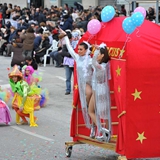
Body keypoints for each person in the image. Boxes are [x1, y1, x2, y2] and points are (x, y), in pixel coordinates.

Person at [60, 28, 93, 128]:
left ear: (86, 50)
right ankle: (88, 107)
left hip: (92, 81)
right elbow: (69, 48)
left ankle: (91, 112)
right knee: (89, 93)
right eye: (78, 49)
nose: (78, 51)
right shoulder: (77, 57)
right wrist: (66, 36)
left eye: (81, 49)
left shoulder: (91, 59)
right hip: (83, 82)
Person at [88, 43, 111, 142]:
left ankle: (104, 131)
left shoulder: (102, 66)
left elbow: (93, 62)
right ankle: (105, 131)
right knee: (98, 112)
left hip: (100, 90)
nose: (96, 55)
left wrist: (97, 49)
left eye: (98, 54)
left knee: (98, 112)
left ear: (102, 55)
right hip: (99, 89)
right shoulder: (104, 65)